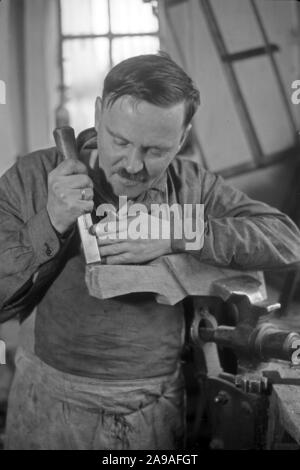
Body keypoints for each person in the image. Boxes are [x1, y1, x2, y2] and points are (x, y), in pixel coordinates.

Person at [0, 53, 300, 450]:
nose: (132, 166)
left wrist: (181, 231)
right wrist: (51, 220)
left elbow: (287, 239)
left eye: (155, 150)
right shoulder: (35, 178)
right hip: (48, 400)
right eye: (119, 141)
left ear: (183, 135)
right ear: (98, 112)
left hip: (151, 409)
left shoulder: (193, 185)